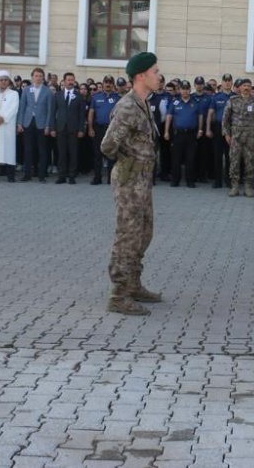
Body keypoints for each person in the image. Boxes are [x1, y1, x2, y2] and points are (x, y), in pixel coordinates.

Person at [101, 51, 163, 315]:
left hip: (141, 180)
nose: (159, 76)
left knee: (144, 232)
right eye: (155, 72)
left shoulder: (143, 103)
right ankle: (118, 294)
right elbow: (108, 145)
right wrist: (129, 163)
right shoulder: (128, 106)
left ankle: (134, 284)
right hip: (129, 180)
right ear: (141, 76)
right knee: (127, 235)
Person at [222, 77, 254, 197]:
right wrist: (227, 134)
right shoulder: (233, 100)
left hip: (250, 137)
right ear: (239, 88)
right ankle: (234, 186)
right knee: (234, 161)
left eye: (248, 86)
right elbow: (225, 119)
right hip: (236, 136)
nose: (246, 88)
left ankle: (248, 187)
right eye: (244, 86)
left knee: (250, 162)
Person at [17, 68, 53, 182]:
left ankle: (42, 175)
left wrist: (48, 125)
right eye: (36, 76)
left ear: (43, 78)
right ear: (32, 77)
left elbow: (50, 110)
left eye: (40, 76)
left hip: (41, 124)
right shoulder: (26, 90)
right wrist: (19, 123)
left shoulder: (47, 91)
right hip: (28, 122)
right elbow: (22, 107)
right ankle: (27, 174)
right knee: (28, 149)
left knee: (42, 150)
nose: (38, 78)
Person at [52, 72, 86, 184]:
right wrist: (52, 128)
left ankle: (72, 175)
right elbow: (53, 113)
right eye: (68, 80)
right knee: (61, 153)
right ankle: (62, 175)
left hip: (74, 129)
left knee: (73, 153)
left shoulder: (79, 96)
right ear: (64, 81)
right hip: (60, 128)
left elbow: (82, 115)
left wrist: (81, 129)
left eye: (72, 80)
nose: (70, 82)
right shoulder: (58, 95)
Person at [88, 76, 120, 185]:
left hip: (112, 129)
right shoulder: (96, 97)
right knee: (97, 154)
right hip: (98, 128)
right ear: (103, 84)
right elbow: (91, 113)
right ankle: (97, 177)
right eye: (106, 82)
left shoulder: (117, 98)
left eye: (110, 82)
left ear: (113, 85)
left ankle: (110, 178)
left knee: (111, 154)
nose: (108, 84)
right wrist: (90, 128)